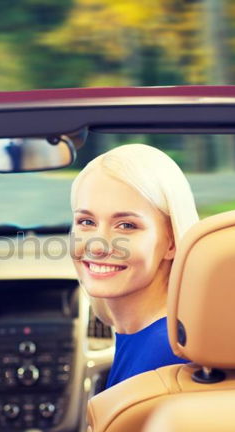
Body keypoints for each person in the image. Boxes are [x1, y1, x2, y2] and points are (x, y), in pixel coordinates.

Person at [70, 143, 199, 389]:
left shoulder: (167, 356)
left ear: (171, 242)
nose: (97, 246)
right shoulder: (154, 336)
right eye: (86, 221)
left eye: (126, 226)